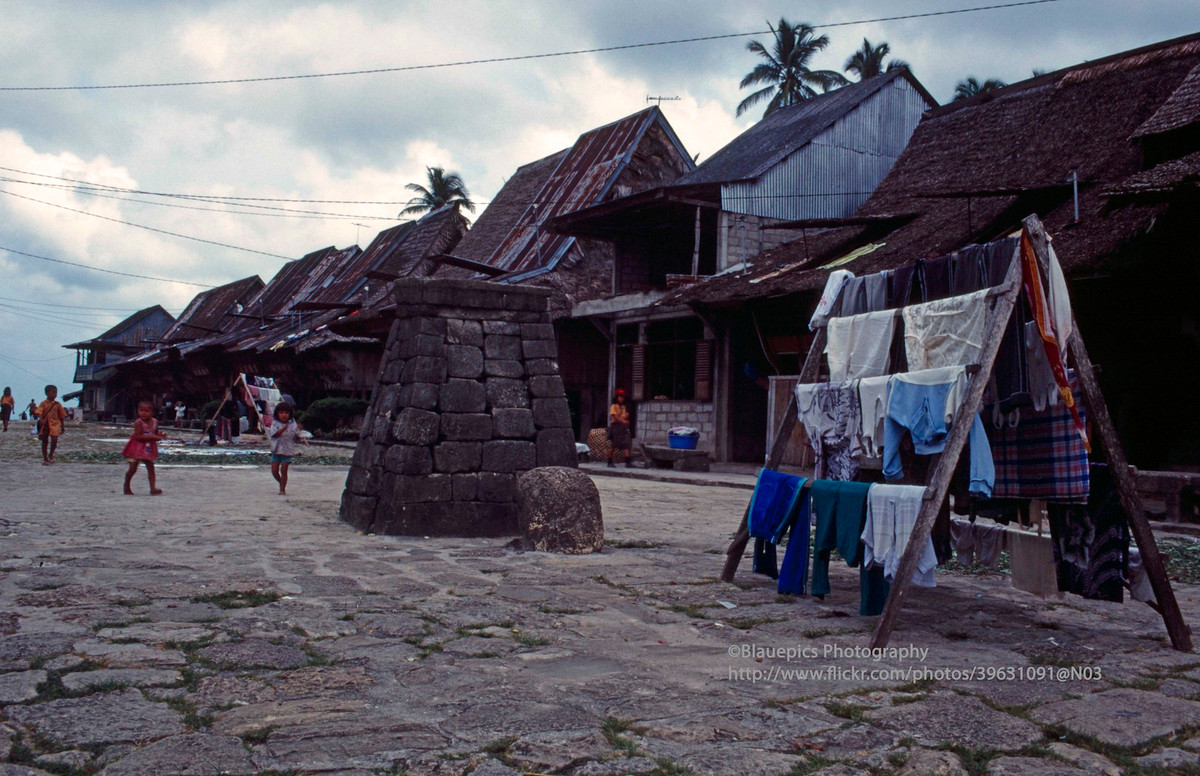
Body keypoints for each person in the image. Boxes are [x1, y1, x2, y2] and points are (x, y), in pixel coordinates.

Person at [121, 401, 166, 495]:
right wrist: (154, 437)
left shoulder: (155, 422)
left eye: (146, 411)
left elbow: (155, 433)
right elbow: (138, 437)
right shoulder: (138, 422)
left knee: (150, 467)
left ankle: (153, 488)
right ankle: (126, 485)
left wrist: (160, 436)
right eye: (141, 410)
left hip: (148, 448)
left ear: (152, 412)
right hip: (136, 447)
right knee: (133, 468)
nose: (143, 413)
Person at [268, 402, 304, 495]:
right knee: (274, 470)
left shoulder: (293, 423)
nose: (284, 415)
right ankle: (281, 482)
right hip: (276, 449)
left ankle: (282, 489)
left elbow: (296, 434)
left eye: (286, 413)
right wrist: (284, 428)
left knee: (284, 470)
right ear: (277, 413)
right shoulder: (275, 423)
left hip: (287, 450)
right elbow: (275, 434)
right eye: (281, 413)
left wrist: (300, 432)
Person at [35, 385, 67, 465]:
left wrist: (63, 426)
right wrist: (41, 419)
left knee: (54, 440)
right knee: (45, 441)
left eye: (56, 392)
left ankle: (51, 454)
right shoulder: (43, 403)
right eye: (52, 392)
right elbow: (39, 412)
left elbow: (61, 416)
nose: (54, 394)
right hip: (45, 424)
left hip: (55, 424)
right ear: (46, 393)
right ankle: (45, 458)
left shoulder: (57, 404)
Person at [607, 388, 633, 468]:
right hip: (615, 427)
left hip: (622, 427)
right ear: (617, 397)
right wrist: (622, 421)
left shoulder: (624, 407)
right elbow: (614, 416)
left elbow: (626, 415)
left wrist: (626, 420)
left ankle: (628, 462)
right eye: (620, 397)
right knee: (613, 445)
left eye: (622, 397)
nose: (621, 399)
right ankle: (609, 462)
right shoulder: (614, 406)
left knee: (626, 443)